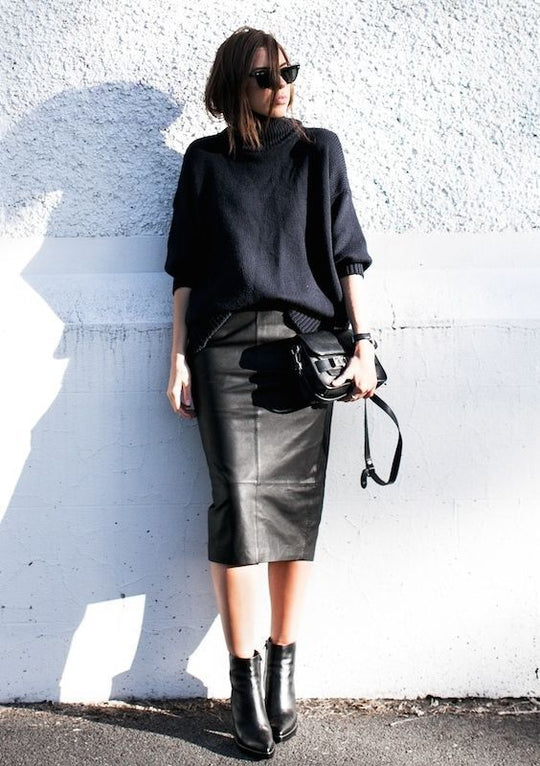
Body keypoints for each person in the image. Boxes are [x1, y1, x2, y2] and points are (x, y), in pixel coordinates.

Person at [165, 26, 377, 759]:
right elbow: (185, 271)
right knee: (236, 510)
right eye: (263, 76)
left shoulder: (320, 151)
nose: (280, 85)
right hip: (223, 353)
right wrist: (177, 360)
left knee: (294, 514)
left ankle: (284, 664)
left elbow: (348, 256)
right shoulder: (204, 162)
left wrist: (364, 345)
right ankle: (243, 681)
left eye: (287, 71)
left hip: (302, 354)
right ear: (234, 86)